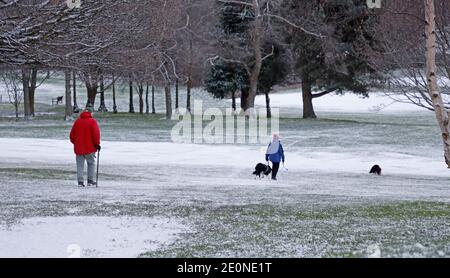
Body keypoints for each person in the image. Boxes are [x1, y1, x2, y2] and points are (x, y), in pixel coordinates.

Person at [70, 107, 101, 187]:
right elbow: (96, 134)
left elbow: (72, 136)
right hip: (89, 147)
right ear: (91, 113)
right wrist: (97, 144)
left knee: (79, 165)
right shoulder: (92, 122)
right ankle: (90, 180)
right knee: (91, 163)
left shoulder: (77, 121)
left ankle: (80, 181)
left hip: (79, 148)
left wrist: (76, 143)